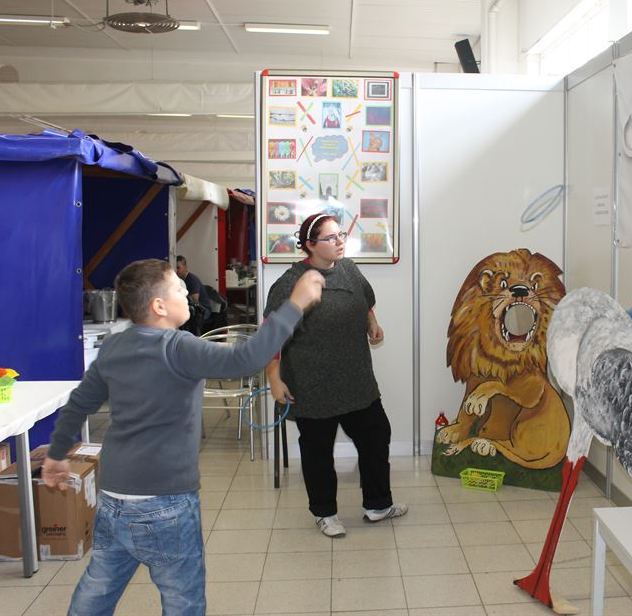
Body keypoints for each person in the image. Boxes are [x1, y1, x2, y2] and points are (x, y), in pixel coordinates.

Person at [41, 258, 324, 616]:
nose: (188, 294)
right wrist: (295, 304)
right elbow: (246, 358)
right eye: (179, 288)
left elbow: (80, 402)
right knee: (182, 599)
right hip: (166, 502)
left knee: (97, 588)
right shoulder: (178, 347)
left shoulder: (113, 347)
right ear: (159, 306)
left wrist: (56, 454)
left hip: (113, 496)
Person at [265, 213, 407, 539]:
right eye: (330, 238)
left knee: (376, 436)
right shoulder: (290, 283)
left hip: (356, 378)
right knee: (318, 451)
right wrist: (274, 378)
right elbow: (271, 335)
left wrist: (372, 323)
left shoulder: (349, 268)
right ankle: (325, 513)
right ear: (310, 245)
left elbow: (365, 301)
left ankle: (378, 505)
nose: (339, 241)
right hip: (312, 382)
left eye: (340, 234)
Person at [175, 255, 211, 320]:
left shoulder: (192, 279)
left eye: (178, 268)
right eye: (175, 268)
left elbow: (194, 301)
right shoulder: (180, 280)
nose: (176, 270)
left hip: (203, 310)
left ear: (185, 267)